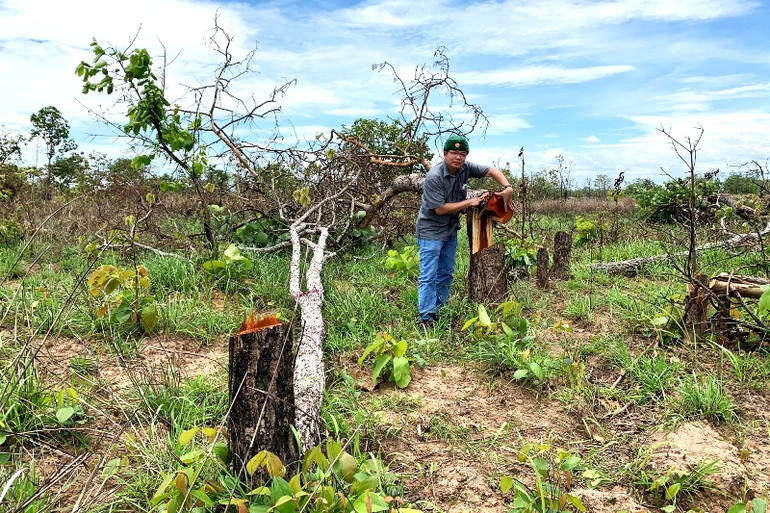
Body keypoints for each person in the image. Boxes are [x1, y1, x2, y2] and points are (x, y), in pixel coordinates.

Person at [416, 134, 514, 327]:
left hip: (450, 230)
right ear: (445, 154)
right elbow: (440, 209)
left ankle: (439, 309)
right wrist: (470, 202)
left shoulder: (465, 168)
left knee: (446, 273)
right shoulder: (435, 177)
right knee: (429, 275)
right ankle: (426, 317)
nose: (458, 157)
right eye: (454, 153)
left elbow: (492, 170)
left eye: (462, 154)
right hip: (431, 232)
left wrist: (507, 187)